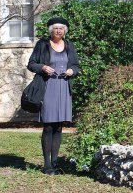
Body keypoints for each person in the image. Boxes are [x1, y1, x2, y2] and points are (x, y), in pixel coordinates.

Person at [27, 17, 79, 175]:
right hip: (48, 88)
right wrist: (43, 67)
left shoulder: (69, 45)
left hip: (64, 88)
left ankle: (55, 163)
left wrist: (72, 71)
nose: (58, 31)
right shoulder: (42, 45)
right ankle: (47, 165)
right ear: (51, 30)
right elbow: (31, 64)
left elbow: (76, 65)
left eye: (61, 28)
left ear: (65, 31)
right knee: (49, 126)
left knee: (59, 127)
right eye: (56, 28)